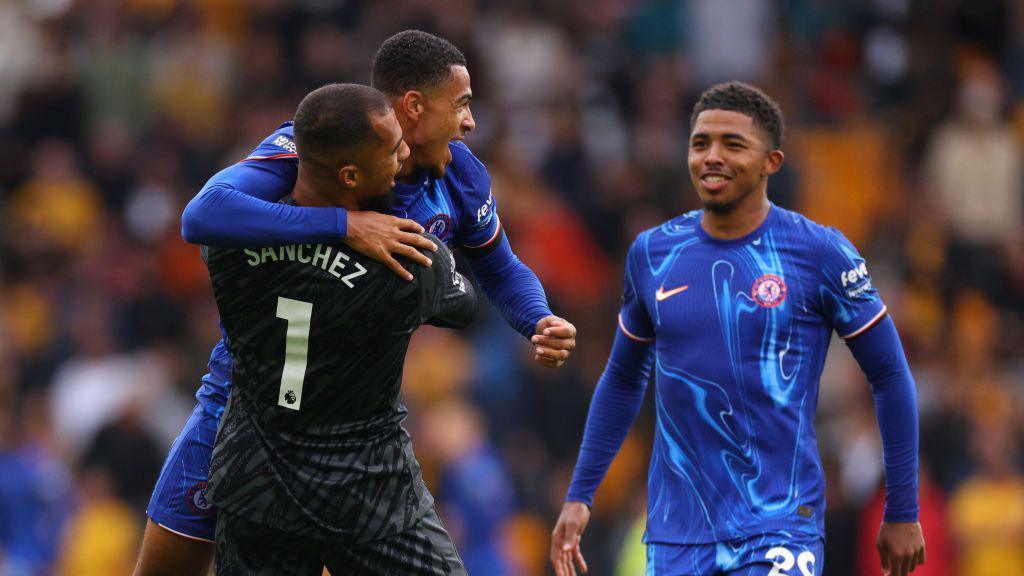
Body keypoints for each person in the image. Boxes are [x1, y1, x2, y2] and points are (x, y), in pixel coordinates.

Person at [135, 30, 576, 576]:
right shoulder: (312, 151)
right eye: (462, 104)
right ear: (414, 107)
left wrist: (539, 318)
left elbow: (502, 269)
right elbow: (201, 215)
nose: (470, 122)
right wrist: (343, 224)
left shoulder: (459, 175)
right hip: (243, 410)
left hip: (354, 428)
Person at [550, 82, 925, 576]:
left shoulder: (819, 253)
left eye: (733, 144)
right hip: (676, 534)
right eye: (701, 142)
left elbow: (891, 375)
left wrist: (902, 510)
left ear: (772, 161)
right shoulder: (653, 254)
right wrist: (581, 495)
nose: (712, 157)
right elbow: (623, 379)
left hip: (779, 524)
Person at [207, 82, 474, 575]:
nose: (405, 154)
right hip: (368, 490)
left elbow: (214, 211)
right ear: (350, 174)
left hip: (256, 485)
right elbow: (464, 307)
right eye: (393, 150)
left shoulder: (225, 248)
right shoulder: (408, 263)